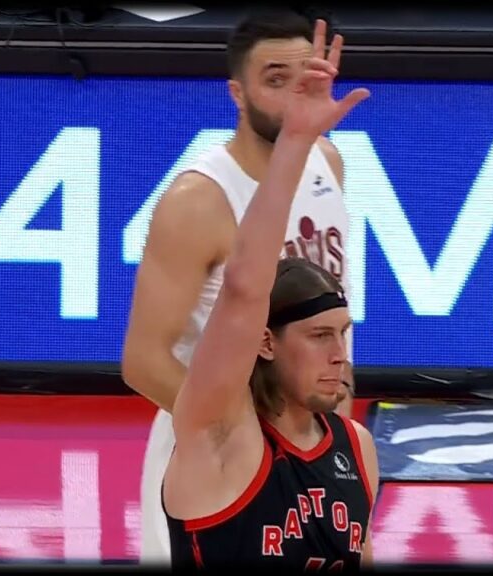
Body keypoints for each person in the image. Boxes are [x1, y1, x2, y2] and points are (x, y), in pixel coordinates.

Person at [121, 8, 361, 567]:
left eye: (304, 78)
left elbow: (329, 332)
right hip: (217, 467)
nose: (292, 94)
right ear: (238, 92)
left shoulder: (328, 162)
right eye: (275, 80)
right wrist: (237, 443)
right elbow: (143, 360)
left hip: (309, 458)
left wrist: (332, 441)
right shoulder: (197, 201)